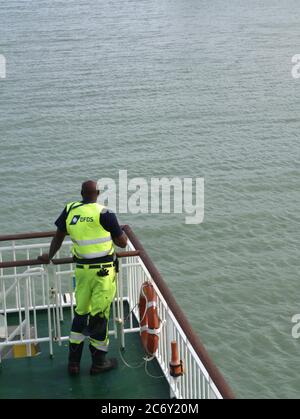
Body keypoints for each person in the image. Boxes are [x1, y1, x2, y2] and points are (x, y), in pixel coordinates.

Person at [39, 180, 127, 376]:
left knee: (80, 313)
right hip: (103, 272)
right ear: (97, 193)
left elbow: (58, 236)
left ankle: (74, 364)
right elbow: (122, 243)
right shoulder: (105, 213)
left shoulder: (70, 209)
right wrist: (117, 233)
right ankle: (99, 363)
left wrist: (49, 256)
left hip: (81, 271)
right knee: (99, 316)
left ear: (81, 193)